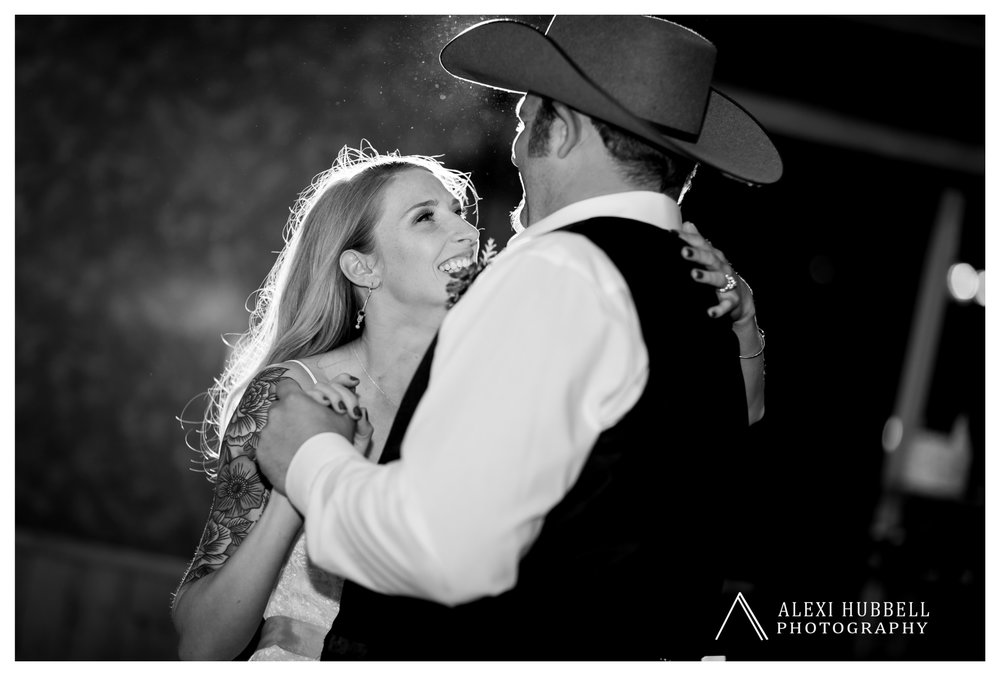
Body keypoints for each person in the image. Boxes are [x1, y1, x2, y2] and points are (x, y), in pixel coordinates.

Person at [255, 16, 780, 660]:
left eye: (527, 120)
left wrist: (309, 457)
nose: (515, 146)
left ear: (563, 131)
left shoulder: (563, 269)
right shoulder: (705, 297)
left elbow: (444, 549)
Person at [170, 141, 755, 660]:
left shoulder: (506, 373)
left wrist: (742, 329)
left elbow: (724, 425)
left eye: (460, 212)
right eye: (426, 217)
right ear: (361, 266)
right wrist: (295, 482)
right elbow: (203, 643)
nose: (467, 231)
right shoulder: (295, 392)